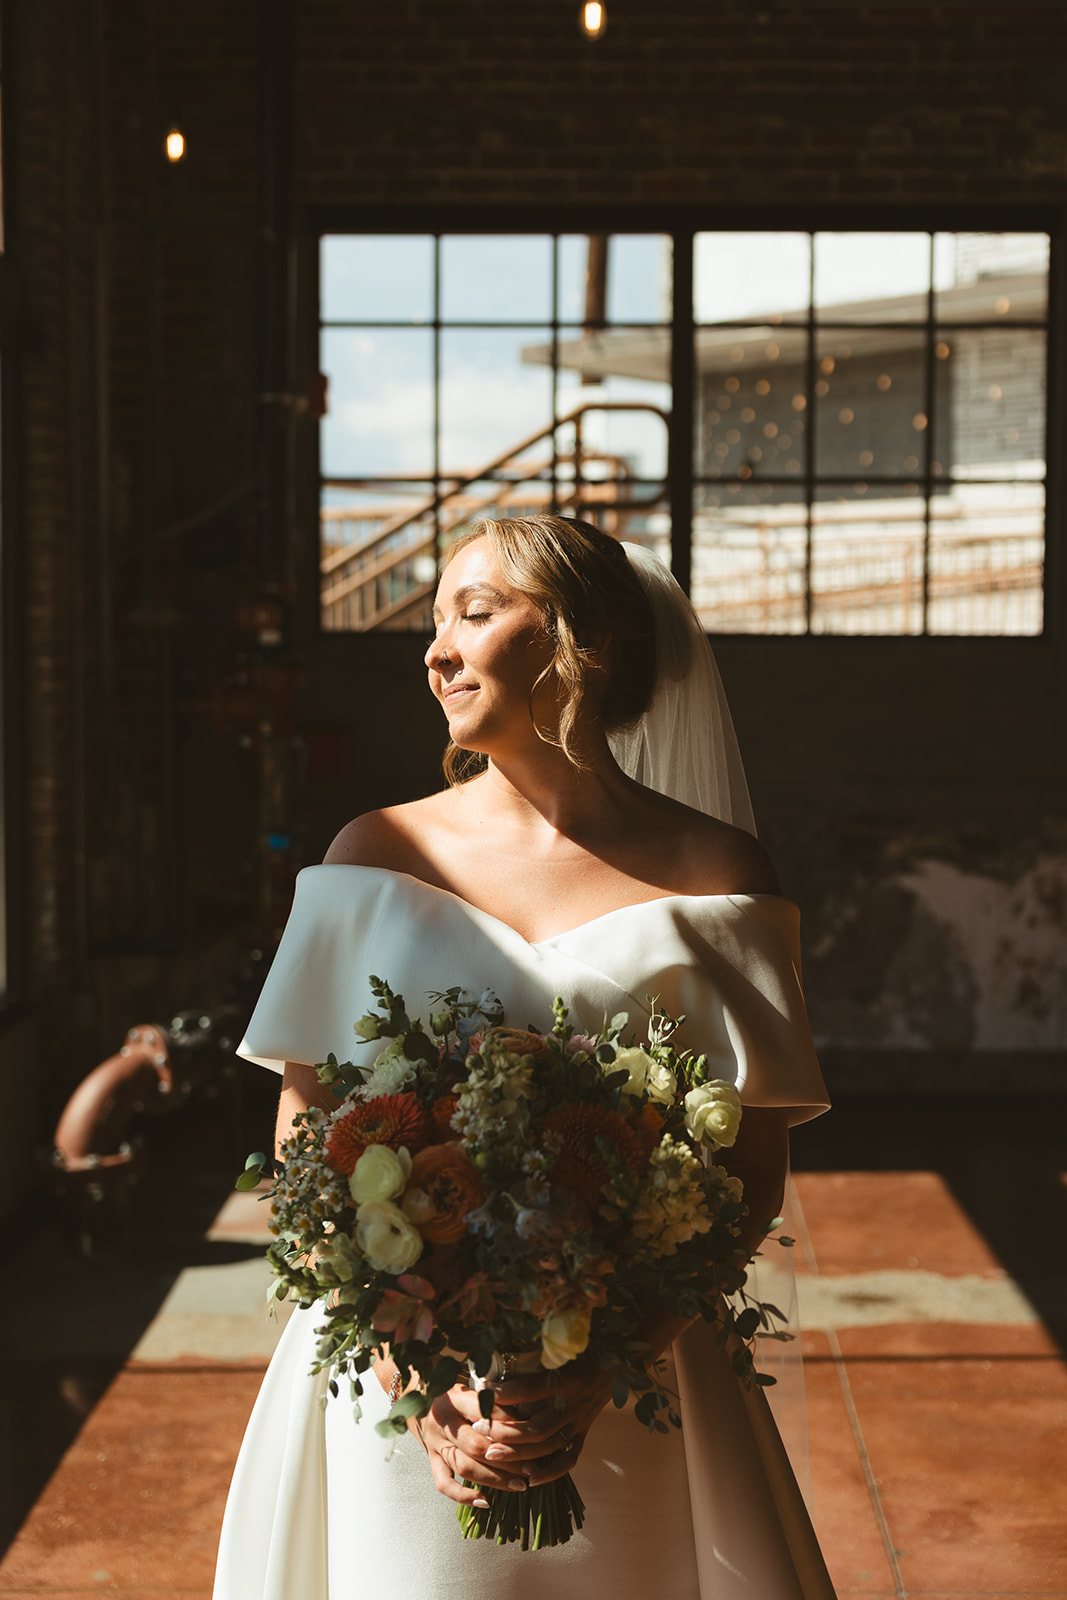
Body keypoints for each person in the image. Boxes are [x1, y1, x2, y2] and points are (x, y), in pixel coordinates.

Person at [213, 516, 836, 1600]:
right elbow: (305, 1142)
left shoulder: (715, 874)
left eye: (474, 610)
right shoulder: (369, 856)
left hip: (628, 1383)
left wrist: (607, 1364)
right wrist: (416, 1380)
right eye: (432, 620)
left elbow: (747, 1168)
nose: (434, 649)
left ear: (579, 642)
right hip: (401, 1390)